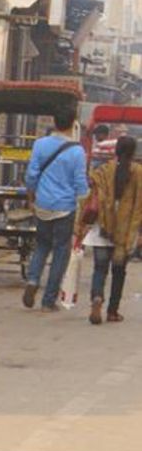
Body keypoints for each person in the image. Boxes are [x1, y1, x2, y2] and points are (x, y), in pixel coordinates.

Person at [21, 100, 89, 311]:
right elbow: (80, 185)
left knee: (41, 245)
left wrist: (32, 199)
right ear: (73, 124)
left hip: (43, 204)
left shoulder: (40, 145)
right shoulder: (77, 152)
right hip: (64, 208)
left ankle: (32, 281)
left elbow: (31, 175)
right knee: (61, 251)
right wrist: (84, 208)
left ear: (54, 122)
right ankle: (49, 299)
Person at [82, 134, 142, 324]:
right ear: (133, 152)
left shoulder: (103, 170)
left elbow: (88, 195)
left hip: (102, 229)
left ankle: (97, 298)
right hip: (124, 232)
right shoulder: (138, 172)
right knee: (119, 272)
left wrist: (79, 227)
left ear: (116, 150)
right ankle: (112, 311)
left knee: (99, 269)